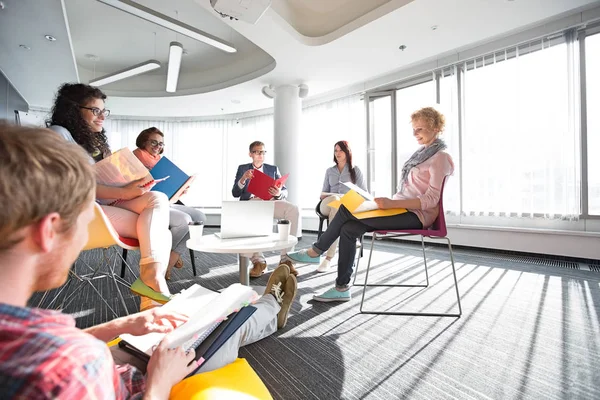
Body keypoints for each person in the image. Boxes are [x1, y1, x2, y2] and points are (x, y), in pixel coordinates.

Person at [0, 123, 298, 399]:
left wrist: (122, 325)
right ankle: (271, 305)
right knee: (224, 326)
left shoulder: (32, 340)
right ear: (47, 232)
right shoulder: (68, 372)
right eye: (85, 217)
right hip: (141, 382)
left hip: (111, 362)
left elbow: (57, 342)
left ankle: (262, 305)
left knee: (195, 320)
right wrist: (159, 381)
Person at [288, 107, 454, 302]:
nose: (414, 133)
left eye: (420, 129)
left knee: (345, 207)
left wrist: (390, 204)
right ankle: (341, 288)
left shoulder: (440, 158)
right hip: (401, 207)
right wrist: (389, 202)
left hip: (417, 215)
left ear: (435, 127)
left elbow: (431, 200)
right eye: (414, 129)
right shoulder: (423, 154)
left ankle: (316, 251)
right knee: (349, 228)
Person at [46, 83, 171, 309]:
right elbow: (74, 184)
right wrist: (123, 191)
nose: (102, 116)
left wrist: (129, 184)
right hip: (81, 212)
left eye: (104, 111)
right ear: (73, 109)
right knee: (161, 232)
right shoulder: (58, 134)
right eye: (95, 110)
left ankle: (150, 284)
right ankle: (150, 289)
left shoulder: (87, 140)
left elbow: (97, 180)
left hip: (101, 204)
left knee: (158, 198)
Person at [133, 127, 207, 280]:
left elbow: (167, 193)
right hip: (147, 203)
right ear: (143, 141)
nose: (158, 146)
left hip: (165, 201)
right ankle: (164, 264)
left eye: (161, 144)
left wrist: (180, 190)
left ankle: (169, 261)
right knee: (184, 221)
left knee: (200, 218)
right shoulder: (134, 158)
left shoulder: (160, 161)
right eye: (154, 142)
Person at [232, 141, 302, 277]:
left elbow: (284, 191)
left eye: (263, 152)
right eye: (257, 152)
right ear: (250, 154)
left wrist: (278, 194)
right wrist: (243, 179)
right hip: (252, 202)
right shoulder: (243, 169)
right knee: (251, 214)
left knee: (294, 209)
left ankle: (286, 259)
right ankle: (258, 261)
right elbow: (235, 193)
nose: (260, 155)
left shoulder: (273, 169)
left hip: (270, 201)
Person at [317, 140, 368, 273]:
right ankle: (351, 238)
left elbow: (364, 194)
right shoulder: (330, 171)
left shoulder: (355, 170)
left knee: (339, 206)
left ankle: (328, 258)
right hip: (327, 203)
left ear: (347, 152)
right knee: (335, 199)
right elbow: (323, 192)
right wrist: (332, 195)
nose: (338, 153)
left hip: (345, 205)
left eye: (341, 150)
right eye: (336, 150)